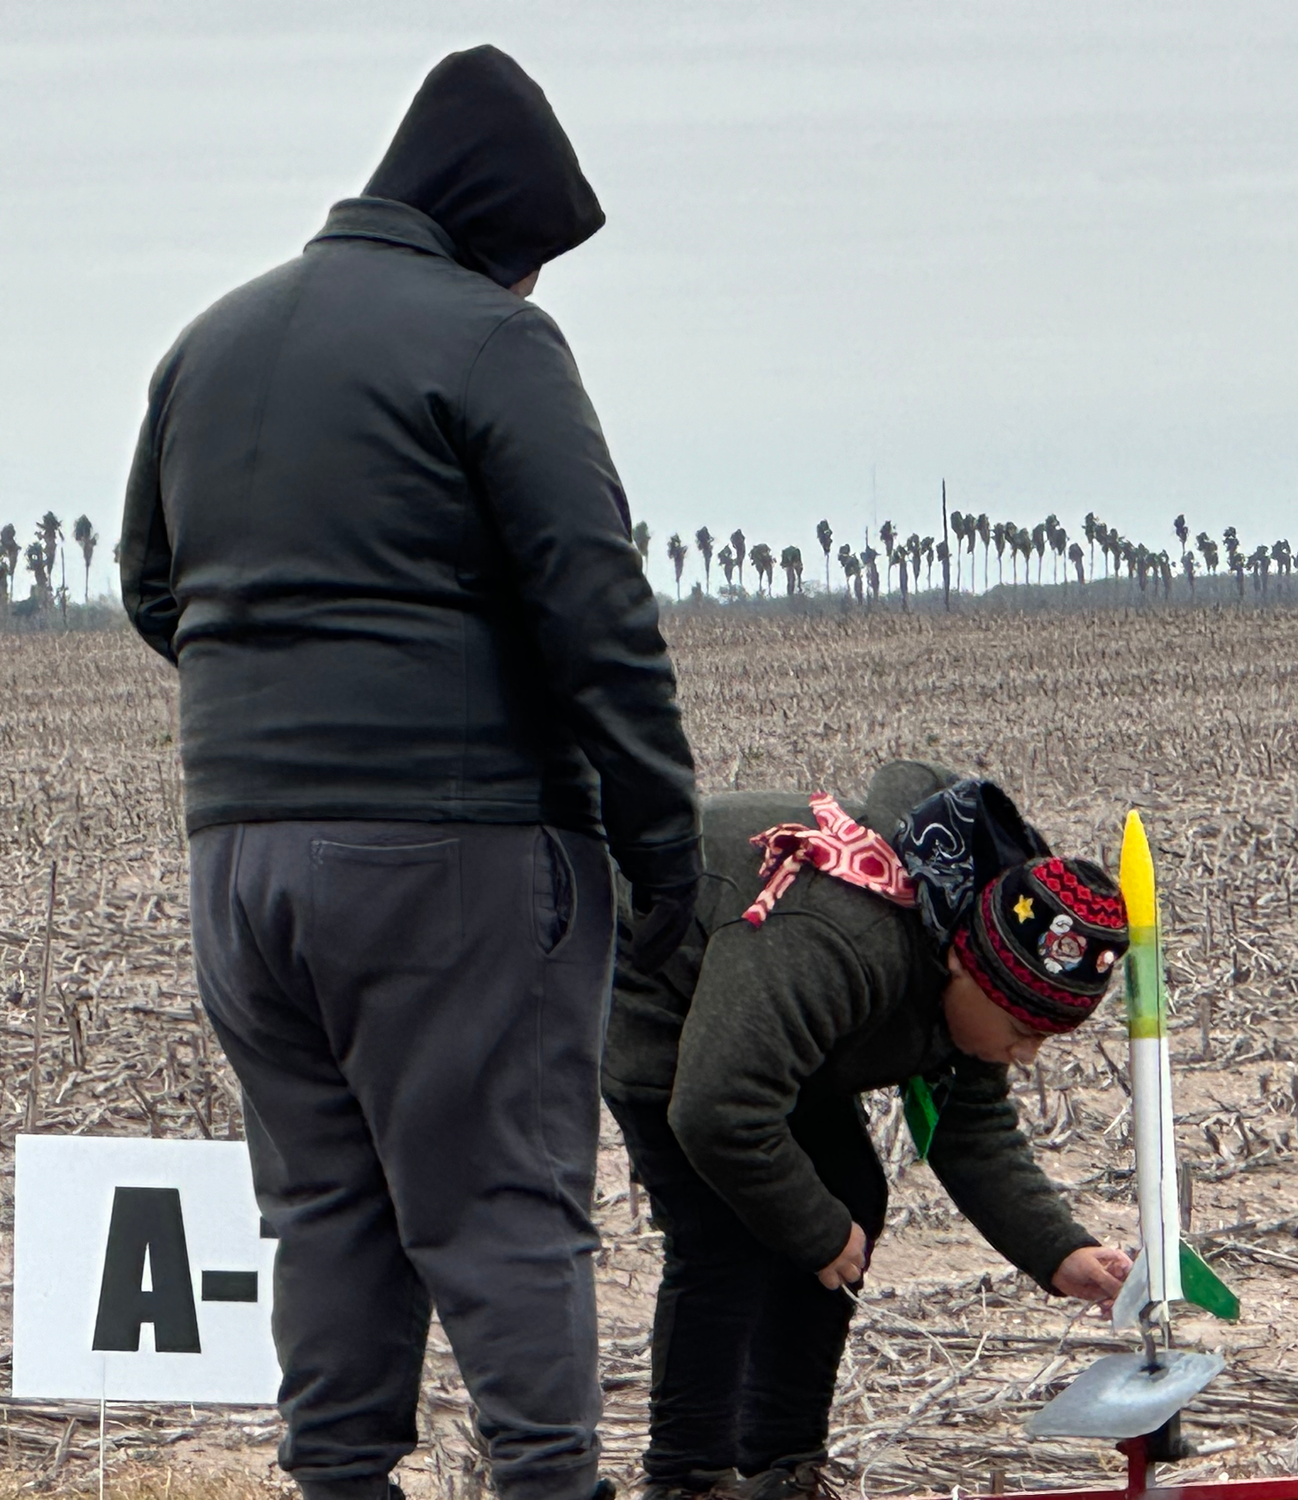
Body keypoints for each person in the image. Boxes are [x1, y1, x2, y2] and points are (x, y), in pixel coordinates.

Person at [119, 46, 700, 1500]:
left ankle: (339, 1484)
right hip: (447, 859)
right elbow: (595, 608)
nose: (531, 289)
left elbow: (150, 587)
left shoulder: (207, 344)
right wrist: (665, 851)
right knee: (505, 1209)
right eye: (526, 259)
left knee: (327, 1209)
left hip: (241, 869)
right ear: (489, 225)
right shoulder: (490, 345)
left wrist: (287, 709)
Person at [603, 761, 1136, 1500]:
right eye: (1020, 1031)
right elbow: (716, 1108)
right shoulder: (845, 940)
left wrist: (1059, 1250)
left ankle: (783, 1469)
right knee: (722, 1233)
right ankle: (687, 1479)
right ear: (960, 963)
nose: (1025, 1053)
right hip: (652, 968)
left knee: (850, 1190)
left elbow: (969, 1126)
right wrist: (815, 1229)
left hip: (762, 1018)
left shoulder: (977, 954)